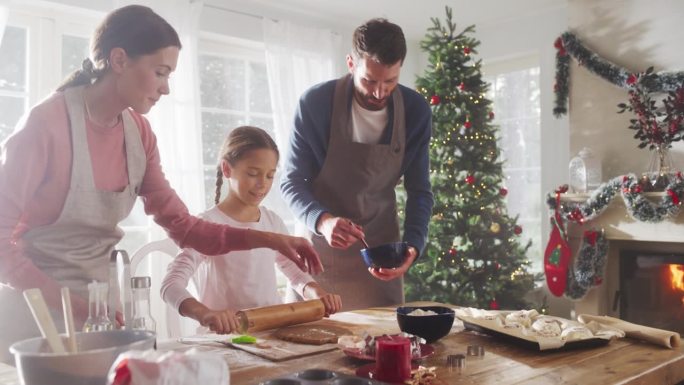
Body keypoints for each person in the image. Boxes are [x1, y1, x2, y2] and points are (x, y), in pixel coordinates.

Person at [0, 5, 321, 362]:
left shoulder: (139, 134)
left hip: (98, 314)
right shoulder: (45, 124)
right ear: (119, 59)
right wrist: (69, 305)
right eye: (160, 73)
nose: (166, 89)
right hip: (32, 320)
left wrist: (271, 239)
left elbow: (185, 228)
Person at [280, 18, 434, 311]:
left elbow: (420, 190)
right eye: (369, 80)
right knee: (311, 347)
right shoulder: (316, 103)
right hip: (320, 247)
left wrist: (413, 246)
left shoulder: (415, 111)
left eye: (390, 81)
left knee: (381, 345)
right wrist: (323, 221)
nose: (379, 92)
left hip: (380, 252)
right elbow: (291, 181)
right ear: (351, 63)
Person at [161, 126, 342, 334]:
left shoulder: (272, 221)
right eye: (253, 173)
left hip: (270, 334)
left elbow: (295, 273)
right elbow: (170, 285)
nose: (262, 185)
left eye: (270, 176)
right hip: (225, 340)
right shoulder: (205, 228)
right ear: (227, 169)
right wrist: (206, 314)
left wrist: (318, 294)